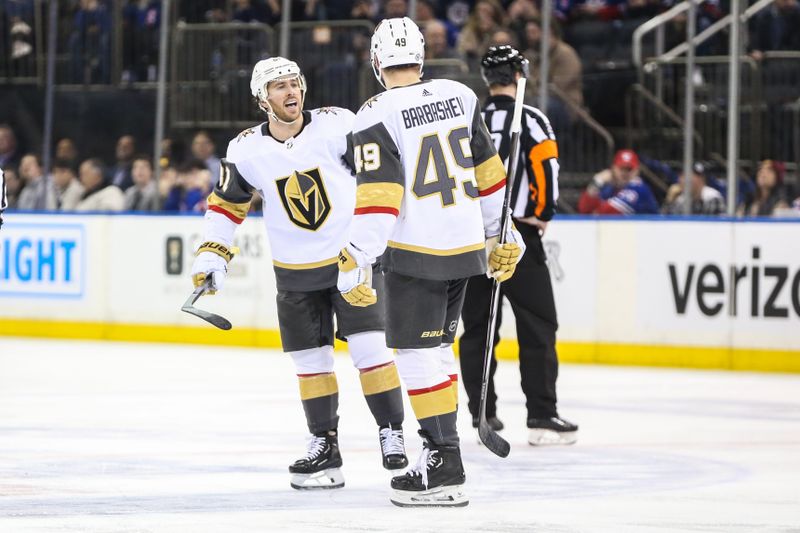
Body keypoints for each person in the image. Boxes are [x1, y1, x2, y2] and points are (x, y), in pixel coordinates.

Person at [190, 57, 408, 491]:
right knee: (311, 363)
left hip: (352, 260)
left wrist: (375, 240)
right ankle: (324, 447)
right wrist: (213, 252)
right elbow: (228, 205)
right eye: (279, 86)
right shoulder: (246, 148)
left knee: (369, 351)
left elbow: (379, 173)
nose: (291, 91)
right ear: (261, 98)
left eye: (295, 83)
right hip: (293, 272)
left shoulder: (337, 125)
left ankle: (392, 431)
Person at [338, 17, 524, 507]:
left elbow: (380, 196)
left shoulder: (374, 112)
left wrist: (356, 255)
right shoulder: (460, 95)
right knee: (438, 351)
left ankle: (444, 463)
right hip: (463, 253)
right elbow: (490, 175)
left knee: (418, 357)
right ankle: (443, 453)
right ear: (421, 58)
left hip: (416, 256)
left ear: (377, 62)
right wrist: (502, 234)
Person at [459, 45, 578, 447]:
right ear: (520, 75)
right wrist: (542, 212)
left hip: (474, 238)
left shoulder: (467, 120)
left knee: (477, 328)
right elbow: (545, 169)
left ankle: (481, 412)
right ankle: (542, 415)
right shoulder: (531, 118)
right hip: (519, 237)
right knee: (537, 325)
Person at [578, 149, 659, 214]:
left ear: (637, 171)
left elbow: (606, 213)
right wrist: (596, 182)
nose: (625, 173)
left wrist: (595, 211)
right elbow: (584, 210)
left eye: (629, 169)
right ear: (613, 169)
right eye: (621, 168)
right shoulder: (609, 189)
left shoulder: (639, 188)